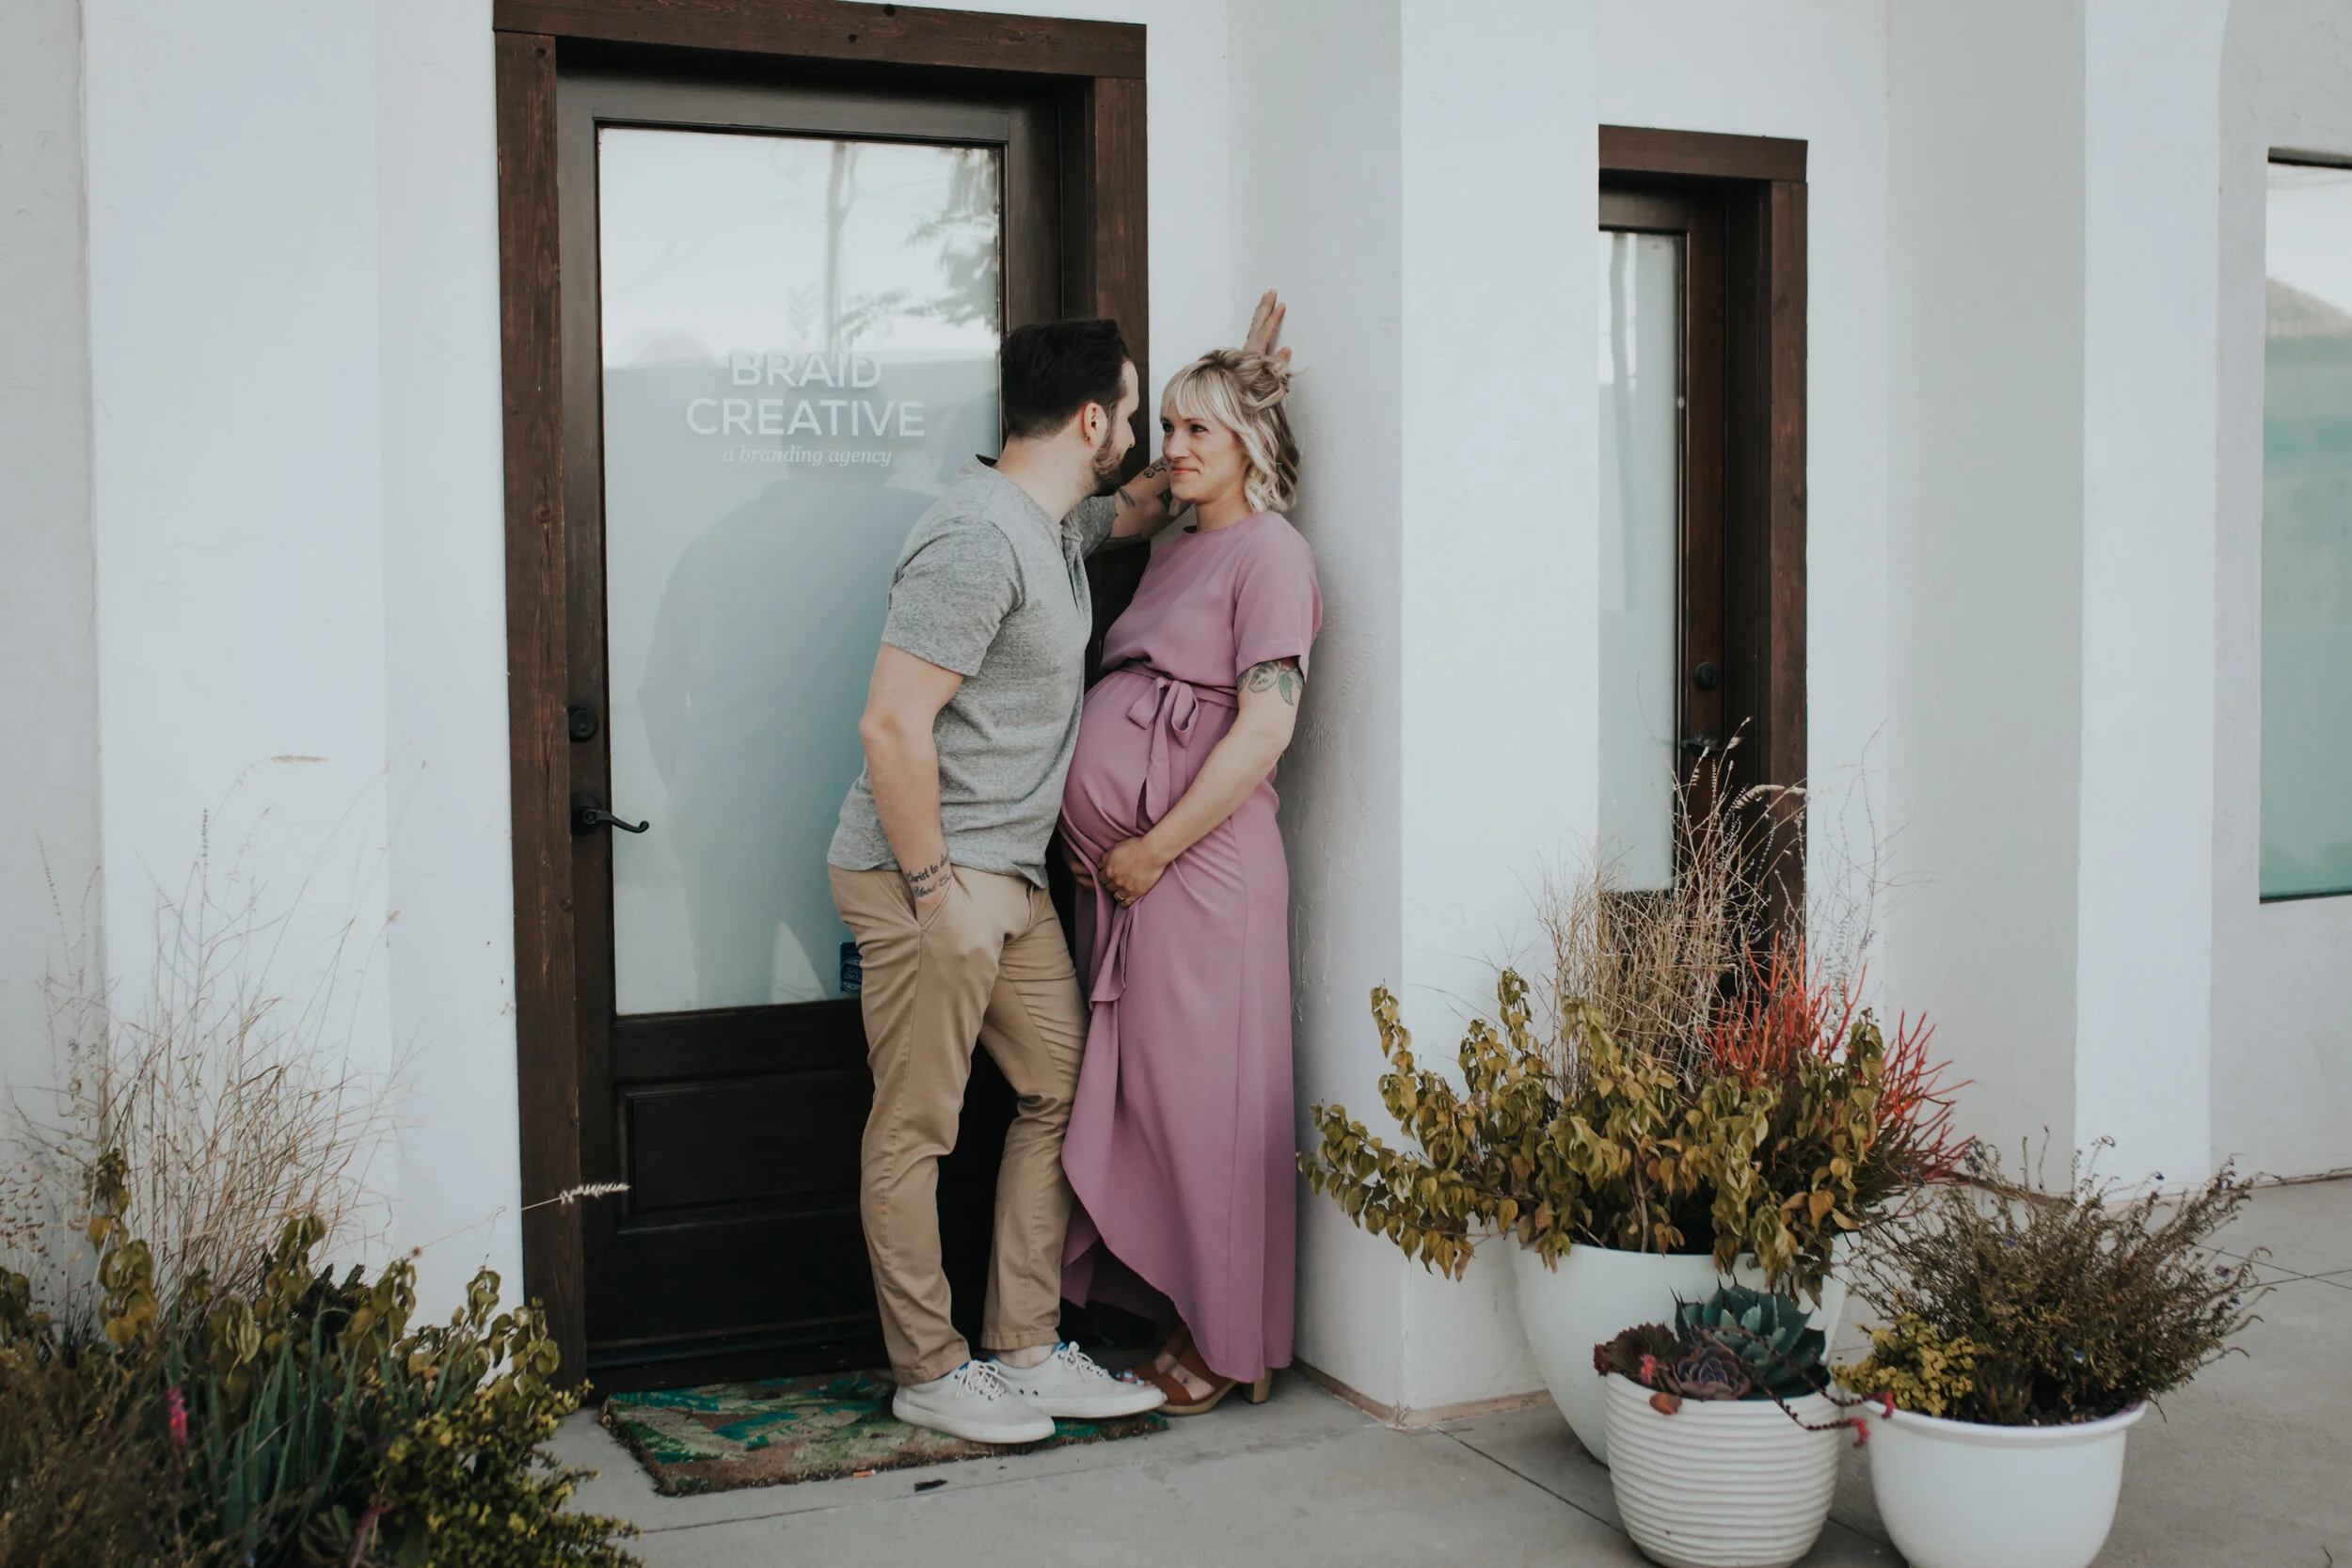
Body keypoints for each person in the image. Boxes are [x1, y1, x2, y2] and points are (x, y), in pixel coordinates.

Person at [827, 309, 1286, 1445]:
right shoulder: (976, 537)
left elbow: (1153, 497)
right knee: (916, 1125)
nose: (1145, 437)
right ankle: (929, 1366)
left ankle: (1024, 1344)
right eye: (1137, 415)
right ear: (1092, 418)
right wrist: (935, 893)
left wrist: (1240, 388)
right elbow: (891, 727)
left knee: (1058, 1089)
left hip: (1014, 884)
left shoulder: (1056, 521)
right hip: (931, 878)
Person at [1057, 318, 1321, 1415]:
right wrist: (1227, 367)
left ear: (1252, 440)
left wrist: (1150, 848)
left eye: (1197, 426)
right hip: (1130, 877)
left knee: (1210, 1104)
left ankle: (1226, 1338)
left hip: (1195, 871)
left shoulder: (1273, 553)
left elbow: (1263, 730)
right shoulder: (1177, 544)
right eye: (1164, 422)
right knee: (1148, 1100)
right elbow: (1157, 487)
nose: (1173, 443)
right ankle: (1174, 1309)